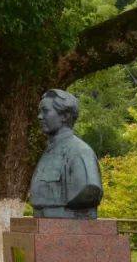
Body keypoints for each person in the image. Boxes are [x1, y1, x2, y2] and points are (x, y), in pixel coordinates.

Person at [29, 89, 103, 219]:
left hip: (68, 227)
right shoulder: (48, 152)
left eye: (45, 111)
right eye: (39, 112)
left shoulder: (80, 151)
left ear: (65, 116)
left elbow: (89, 188)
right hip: (43, 225)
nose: (39, 116)